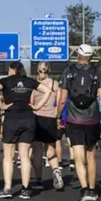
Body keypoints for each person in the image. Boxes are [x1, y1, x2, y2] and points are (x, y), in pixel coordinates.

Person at [59, 45, 101, 201]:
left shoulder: (68, 71)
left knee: (78, 155)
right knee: (91, 154)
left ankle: (84, 189)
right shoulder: (97, 72)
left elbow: (62, 99)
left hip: (74, 118)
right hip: (92, 118)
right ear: (91, 57)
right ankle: (92, 189)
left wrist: (58, 115)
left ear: (78, 55)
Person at [0, 62, 38, 199]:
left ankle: (7, 188)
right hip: (28, 118)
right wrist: (37, 106)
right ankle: (25, 189)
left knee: (8, 156)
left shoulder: (5, 81)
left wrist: (2, 105)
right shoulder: (30, 81)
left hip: (12, 118)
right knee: (24, 156)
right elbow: (48, 91)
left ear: (11, 69)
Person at [32, 62, 64, 191]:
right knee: (51, 149)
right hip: (51, 118)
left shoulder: (35, 85)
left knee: (37, 151)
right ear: (49, 70)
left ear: (37, 70)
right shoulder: (55, 84)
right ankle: (56, 170)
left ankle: (38, 180)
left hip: (37, 118)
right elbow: (60, 102)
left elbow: (31, 102)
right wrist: (58, 116)